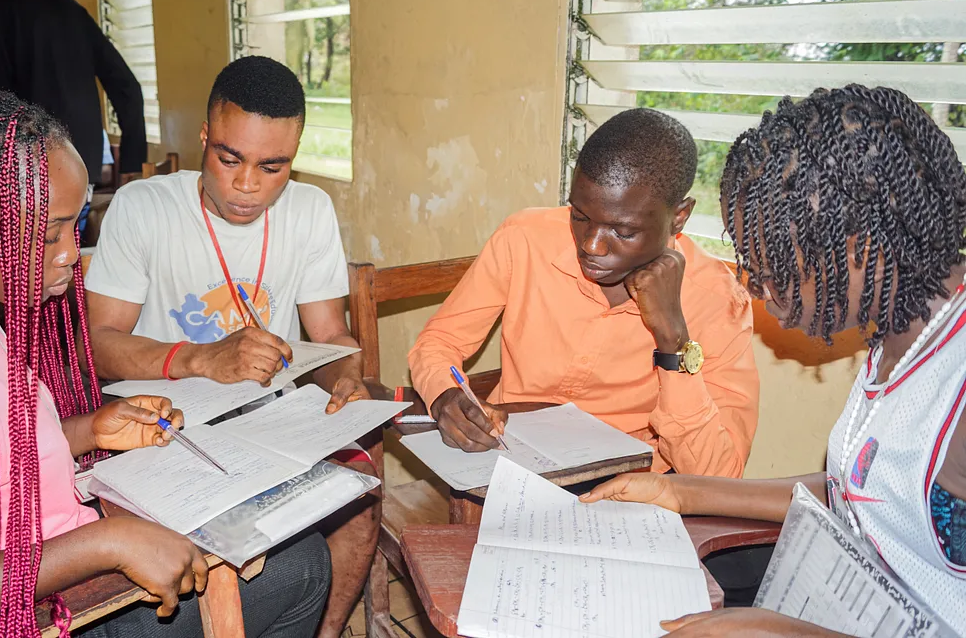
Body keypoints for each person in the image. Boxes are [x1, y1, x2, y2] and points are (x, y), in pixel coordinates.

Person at [0, 87, 330, 638]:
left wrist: (90, 430)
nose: (71, 251)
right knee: (304, 566)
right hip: (51, 614)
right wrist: (109, 543)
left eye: (76, 223)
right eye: (48, 235)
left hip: (42, 559)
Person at [582, 85, 966, 636]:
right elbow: (857, 492)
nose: (759, 289)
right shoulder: (900, 336)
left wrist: (775, 631)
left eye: (779, 267)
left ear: (862, 248)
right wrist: (679, 491)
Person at [84, 56, 375, 638]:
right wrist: (201, 358)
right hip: (166, 425)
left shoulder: (310, 211)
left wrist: (347, 376)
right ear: (204, 138)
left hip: (274, 417)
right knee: (240, 551)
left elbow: (332, 337)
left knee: (361, 499)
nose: (248, 185)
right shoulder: (145, 208)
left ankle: (324, 629)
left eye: (274, 167)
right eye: (229, 158)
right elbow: (99, 344)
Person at [408, 108, 759, 478]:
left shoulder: (719, 299)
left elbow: (717, 476)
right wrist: (444, 395)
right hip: (506, 464)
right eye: (579, 216)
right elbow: (440, 342)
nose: (591, 245)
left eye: (622, 231)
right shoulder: (525, 239)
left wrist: (674, 342)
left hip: (626, 488)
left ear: (679, 217)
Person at [0, 0, 146, 189]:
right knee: (74, 219)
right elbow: (127, 87)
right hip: (81, 163)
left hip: (30, 165)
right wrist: (132, 159)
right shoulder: (71, 10)